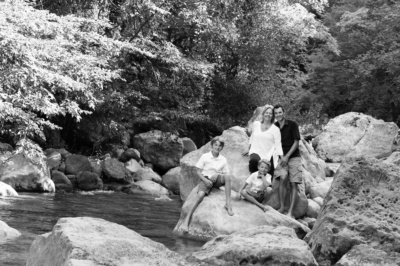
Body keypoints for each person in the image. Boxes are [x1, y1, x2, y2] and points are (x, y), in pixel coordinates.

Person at [182, 136, 234, 233]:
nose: (217, 147)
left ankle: (228, 204)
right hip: (205, 178)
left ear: (222, 148)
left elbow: (226, 173)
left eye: (220, 146)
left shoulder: (223, 159)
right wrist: (205, 181)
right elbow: (198, 171)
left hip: (216, 179)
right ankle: (186, 221)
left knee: (227, 177)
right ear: (212, 145)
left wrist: (217, 174)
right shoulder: (205, 156)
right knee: (200, 196)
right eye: (216, 145)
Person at [273, 104, 302, 218]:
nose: (278, 115)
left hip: (294, 156)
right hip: (280, 157)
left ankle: (290, 212)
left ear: (283, 112)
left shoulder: (292, 124)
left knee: (294, 183)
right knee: (283, 178)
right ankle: (281, 207)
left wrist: (287, 156)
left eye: (280, 112)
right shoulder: (274, 127)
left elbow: (296, 142)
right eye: (276, 113)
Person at [243, 106, 283, 178]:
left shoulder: (275, 129)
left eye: (270, 113)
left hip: (268, 152)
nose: (268, 115)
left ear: (273, 116)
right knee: (254, 161)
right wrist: (248, 148)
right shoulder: (256, 124)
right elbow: (252, 137)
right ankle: (255, 178)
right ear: (263, 114)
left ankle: (266, 185)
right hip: (255, 150)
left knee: (269, 168)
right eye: (266, 113)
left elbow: (278, 144)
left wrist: (282, 157)